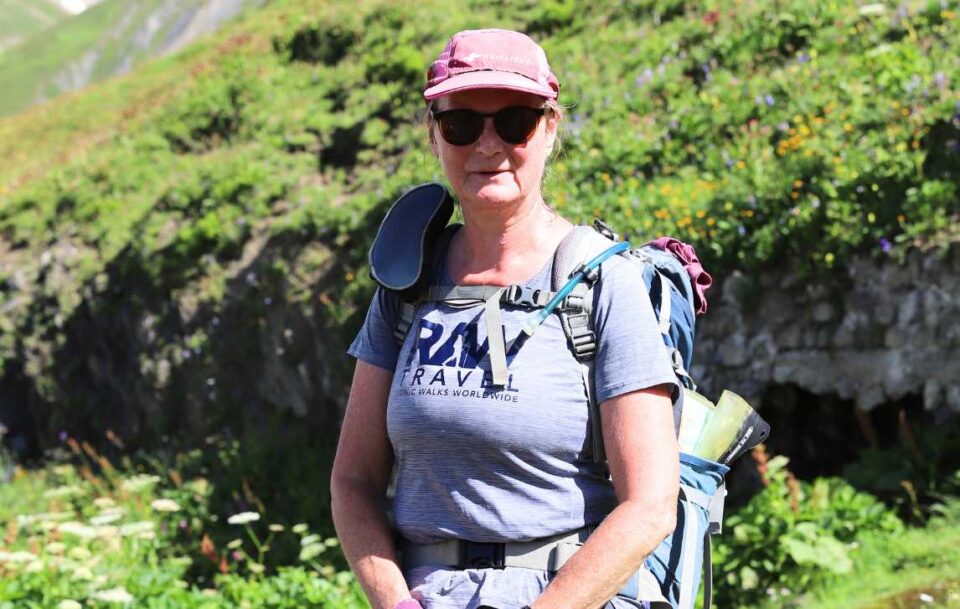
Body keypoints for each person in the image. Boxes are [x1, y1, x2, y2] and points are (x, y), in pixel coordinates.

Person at [331, 28, 680, 609]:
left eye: (514, 121)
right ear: (435, 136)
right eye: (462, 124)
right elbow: (352, 481)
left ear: (549, 127)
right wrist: (394, 601)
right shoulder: (407, 284)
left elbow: (649, 506)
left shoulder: (602, 284)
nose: (487, 145)